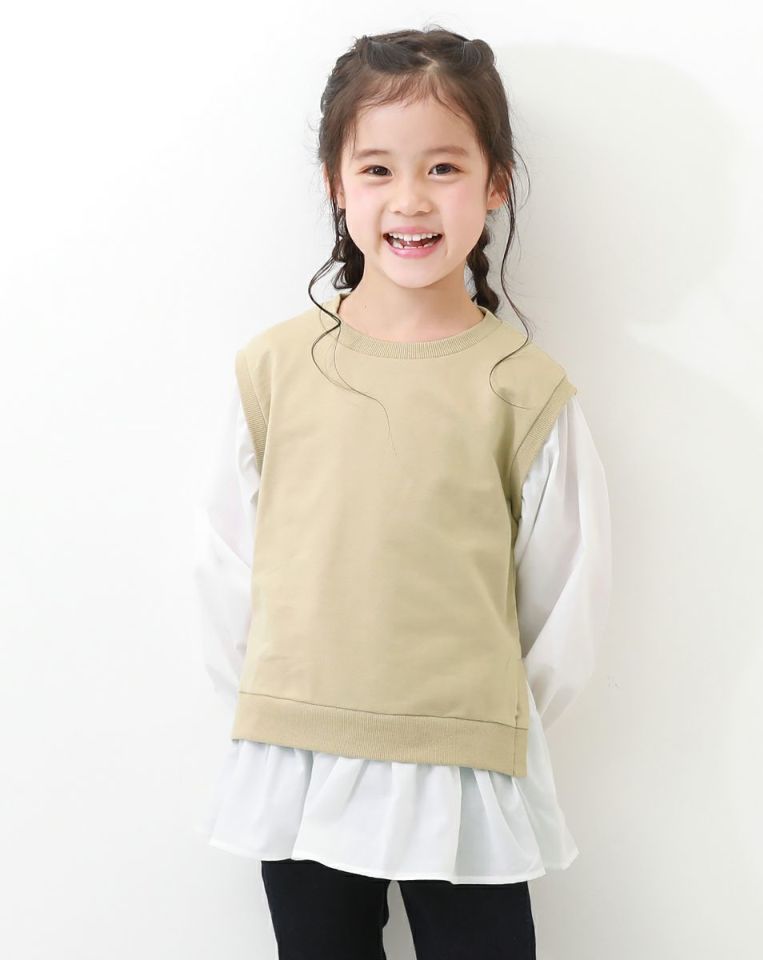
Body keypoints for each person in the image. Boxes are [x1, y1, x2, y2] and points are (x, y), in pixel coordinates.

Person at [193, 25, 613, 960]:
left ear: (496, 183)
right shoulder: (274, 370)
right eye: (377, 169)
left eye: (444, 168)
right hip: (300, 760)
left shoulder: (522, 388)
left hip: (462, 769)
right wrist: (280, 708)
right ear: (336, 186)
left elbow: (562, 605)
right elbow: (225, 570)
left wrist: (479, 720)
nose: (411, 199)